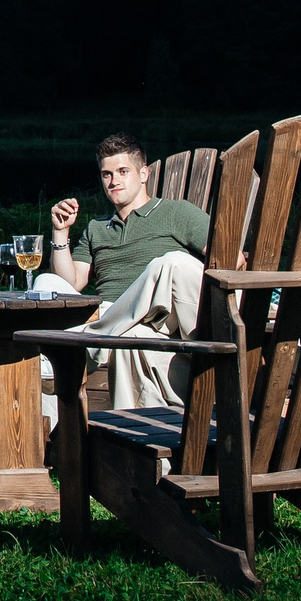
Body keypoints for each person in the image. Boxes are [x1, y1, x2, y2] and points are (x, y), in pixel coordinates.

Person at [40, 133, 212, 411]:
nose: (114, 181)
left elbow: (232, 259)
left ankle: (78, 343)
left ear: (143, 173)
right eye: (106, 174)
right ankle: (53, 442)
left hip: (164, 314)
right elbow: (70, 283)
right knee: (44, 280)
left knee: (169, 262)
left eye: (123, 171)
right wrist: (60, 232)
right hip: (111, 317)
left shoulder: (177, 213)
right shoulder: (97, 228)